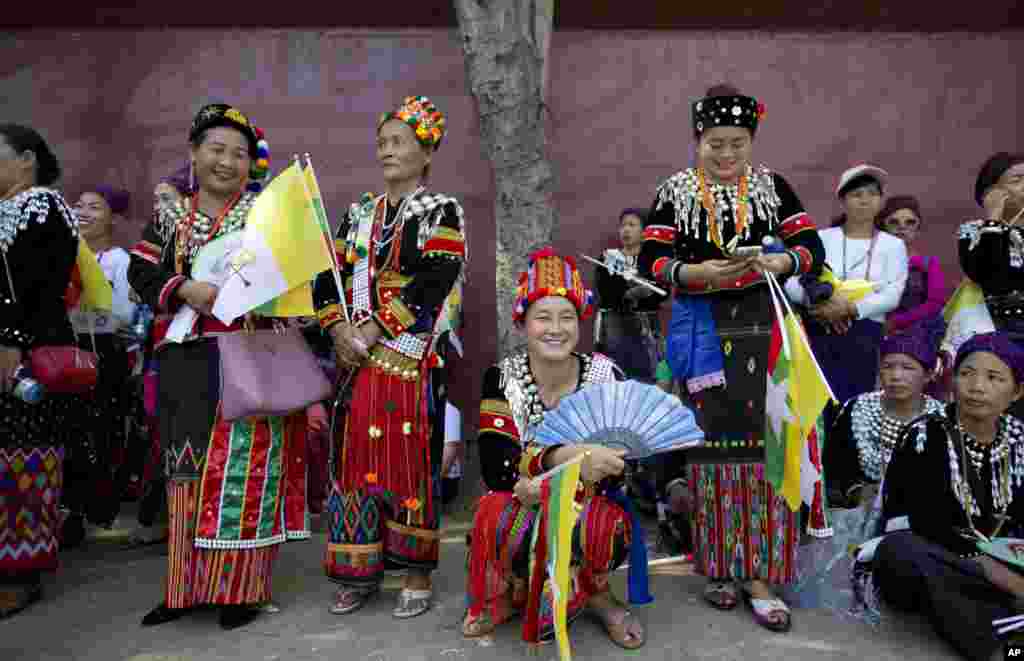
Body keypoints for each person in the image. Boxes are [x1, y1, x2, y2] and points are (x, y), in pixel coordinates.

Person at [637, 83, 829, 631]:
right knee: (711, 455)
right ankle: (721, 566)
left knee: (766, 451)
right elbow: (652, 256)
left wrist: (783, 264)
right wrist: (690, 273)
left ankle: (761, 576)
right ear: (698, 141)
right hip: (702, 334)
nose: (725, 155)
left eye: (737, 144)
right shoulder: (675, 190)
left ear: (752, 142)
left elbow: (811, 248)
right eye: (715, 144)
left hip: (763, 334)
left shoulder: (774, 188)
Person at [128, 103, 308, 630]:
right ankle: (183, 590)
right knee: (184, 468)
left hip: (251, 354)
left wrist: (257, 294)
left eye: (239, 153)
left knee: (245, 471)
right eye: (216, 149)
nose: (226, 161)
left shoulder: (268, 215)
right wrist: (184, 287)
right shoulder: (169, 216)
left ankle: (240, 590)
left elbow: (301, 283)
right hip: (187, 357)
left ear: (252, 163)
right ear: (194, 153)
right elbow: (141, 270)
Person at [313, 95, 467, 619]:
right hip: (358, 363)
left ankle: (416, 571)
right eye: (382, 142)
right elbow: (325, 276)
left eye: (398, 141)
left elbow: (435, 277)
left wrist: (376, 326)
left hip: (409, 361)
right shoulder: (358, 213)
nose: (387, 151)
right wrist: (336, 329)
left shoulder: (440, 211)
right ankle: (358, 569)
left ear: (426, 153)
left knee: (409, 465)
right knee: (355, 463)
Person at [462, 248, 644, 649]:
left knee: (603, 524)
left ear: (578, 322)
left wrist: (550, 481)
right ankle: (516, 591)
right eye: (542, 317)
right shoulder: (503, 377)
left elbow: (619, 470)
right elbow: (498, 468)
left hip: (586, 502)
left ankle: (597, 594)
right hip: (521, 500)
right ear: (523, 323)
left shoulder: (603, 374)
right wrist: (569, 457)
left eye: (566, 317)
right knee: (494, 513)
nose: (555, 328)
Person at [868, 332, 1024, 661]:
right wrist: (989, 569)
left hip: (1002, 563)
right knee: (901, 552)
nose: (977, 386)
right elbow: (924, 523)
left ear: (1017, 392)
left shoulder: (1018, 441)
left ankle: (998, 609)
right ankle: (1001, 647)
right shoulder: (925, 435)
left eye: (993, 377)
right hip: (937, 558)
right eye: (967, 374)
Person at [0, 124, 84, 617]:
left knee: (24, 460)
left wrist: (11, 341)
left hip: (27, 353)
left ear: (26, 159)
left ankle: (20, 571)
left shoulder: (42, 206)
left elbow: (38, 281)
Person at [786, 164, 908, 420]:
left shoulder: (893, 245)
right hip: (819, 331)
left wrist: (850, 309)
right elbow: (791, 282)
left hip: (863, 335)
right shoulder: (821, 238)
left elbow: (892, 294)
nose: (865, 200)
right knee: (816, 409)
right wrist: (817, 304)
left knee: (855, 409)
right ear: (842, 200)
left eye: (872, 194)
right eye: (856, 194)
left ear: (880, 201)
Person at [62, 186, 139, 537]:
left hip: (104, 355)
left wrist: (73, 319)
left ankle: (96, 507)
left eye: (95, 207)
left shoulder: (119, 260)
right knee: (68, 429)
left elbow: (122, 317)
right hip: (63, 354)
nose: (85, 212)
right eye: (79, 205)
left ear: (112, 217)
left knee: (102, 431)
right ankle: (68, 507)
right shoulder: (63, 255)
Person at [824, 316, 947, 511]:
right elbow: (834, 468)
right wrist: (855, 490)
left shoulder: (942, 420)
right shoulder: (857, 409)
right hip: (858, 518)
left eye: (907, 368)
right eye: (888, 366)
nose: (896, 376)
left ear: (929, 374)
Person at [593, 208, 666, 383]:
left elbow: (662, 292)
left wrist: (645, 292)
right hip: (615, 327)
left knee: (650, 377)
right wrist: (627, 294)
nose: (626, 230)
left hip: (646, 328)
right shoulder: (608, 258)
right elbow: (605, 292)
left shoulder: (652, 261)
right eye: (623, 225)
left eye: (632, 225)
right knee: (617, 377)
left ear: (644, 233)